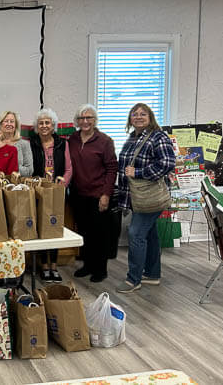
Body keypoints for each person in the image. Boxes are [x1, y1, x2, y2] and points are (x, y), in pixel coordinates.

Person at [115, 103, 175, 293]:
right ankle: (152, 274)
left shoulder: (158, 136)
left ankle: (134, 279)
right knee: (149, 233)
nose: (138, 117)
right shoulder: (133, 138)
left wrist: (139, 172)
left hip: (150, 197)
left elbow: (167, 163)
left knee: (136, 233)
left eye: (143, 114)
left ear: (150, 117)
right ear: (130, 118)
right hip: (136, 197)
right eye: (135, 114)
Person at [68, 104, 117, 283]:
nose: (85, 121)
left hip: (98, 195)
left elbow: (112, 169)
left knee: (99, 233)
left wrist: (106, 194)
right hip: (78, 194)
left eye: (89, 118)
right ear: (77, 121)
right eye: (82, 118)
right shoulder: (72, 139)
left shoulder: (104, 141)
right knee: (84, 232)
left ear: (95, 120)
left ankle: (100, 269)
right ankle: (87, 265)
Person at [29, 108, 73, 283]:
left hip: (57, 192)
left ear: (53, 125)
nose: (44, 126)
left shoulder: (63, 144)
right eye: (41, 123)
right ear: (36, 126)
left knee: (54, 228)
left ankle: (53, 265)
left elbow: (69, 169)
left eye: (47, 122)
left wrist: (60, 186)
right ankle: (44, 267)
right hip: (38, 192)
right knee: (41, 228)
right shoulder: (31, 143)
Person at [0, 111, 33, 177]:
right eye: (6, 121)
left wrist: (12, 166)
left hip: (18, 185)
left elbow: (29, 171)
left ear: (16, 125)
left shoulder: (24, 144)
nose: (9, 124)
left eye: (12, 121)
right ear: (0, 124)